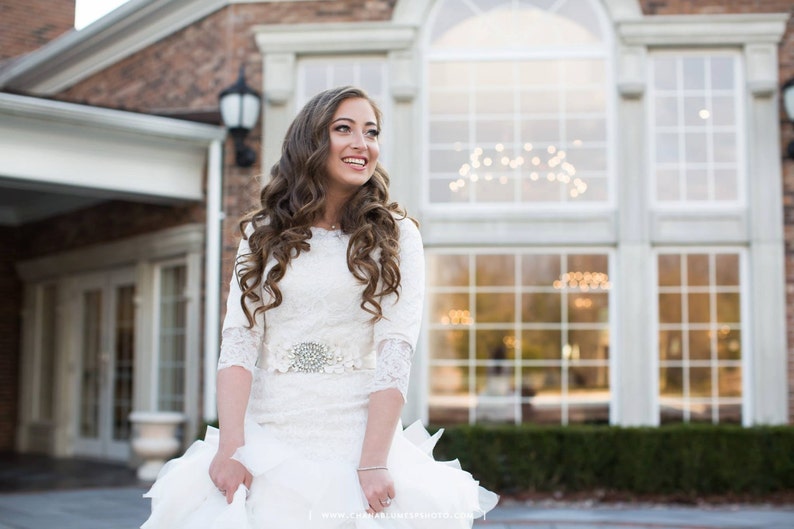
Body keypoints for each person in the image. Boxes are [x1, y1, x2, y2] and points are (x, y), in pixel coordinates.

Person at [141, 86, 497, 528]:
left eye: (371, 132)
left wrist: (372, 462)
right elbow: (237, 342)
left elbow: (396, 350)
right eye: (343, 129)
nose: (361, 144)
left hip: (352, 433)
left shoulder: (396, 235)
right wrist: (233, 448)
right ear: (311, 141)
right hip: (266, 432)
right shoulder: (264, 233)